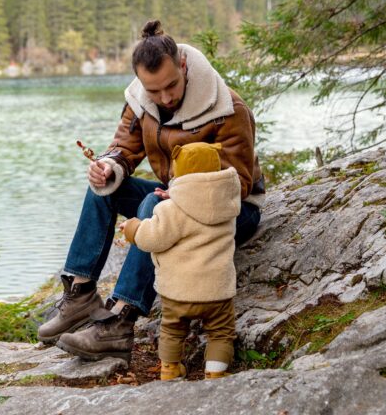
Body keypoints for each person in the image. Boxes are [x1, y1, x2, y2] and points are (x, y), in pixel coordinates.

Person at [38, 19, 265, 362]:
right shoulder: (141, 100)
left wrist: (180, 194)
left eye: (171, 86)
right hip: (174, 197)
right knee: (104, 190)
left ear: (183, 65)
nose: (164, 97)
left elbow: (240, 182)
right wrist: (108, 168)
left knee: (152, 205)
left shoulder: (227, 109)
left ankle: (120, 320)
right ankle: (80, 294)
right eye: (154, 90)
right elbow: (124, 150)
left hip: (235, 211)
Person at [120, 142, 240, 381]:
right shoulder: (228, 206)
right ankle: (216, 371)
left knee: (172, 330)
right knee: (221, 333)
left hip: (178, 291)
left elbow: (153, 237)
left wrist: (132, 228)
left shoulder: (170, 209)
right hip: (218, 291)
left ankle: (170, 369)